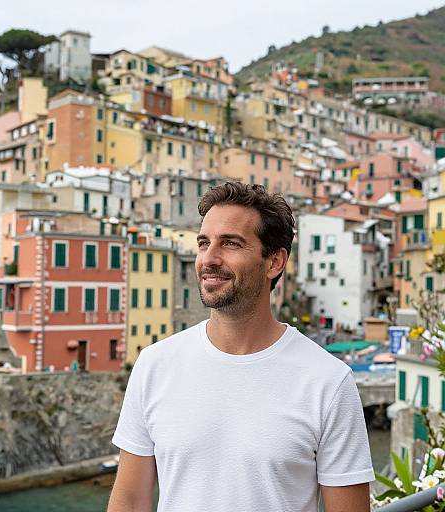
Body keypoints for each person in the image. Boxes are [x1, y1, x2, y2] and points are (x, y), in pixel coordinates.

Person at [108, 182, 374, 512]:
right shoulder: (154, 365)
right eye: (204, 243)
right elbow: (130, 503)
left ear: (274, 262)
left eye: (231, 244)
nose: (209, 259)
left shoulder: (330, 382)